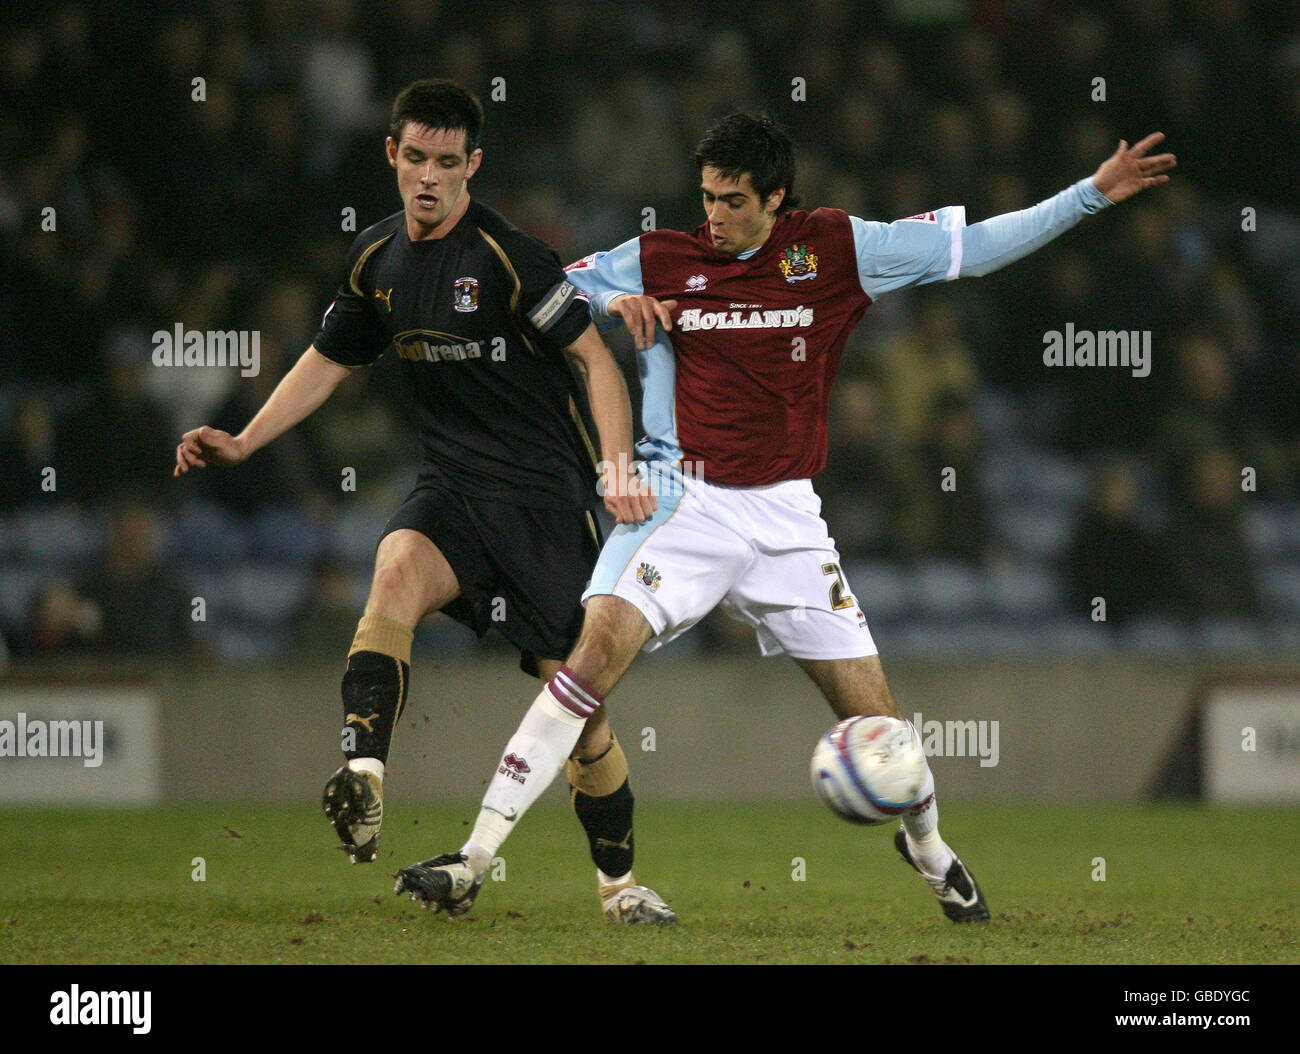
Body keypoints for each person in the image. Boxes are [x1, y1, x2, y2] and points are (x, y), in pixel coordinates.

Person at [394, 113, 1175, 923]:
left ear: (776, 198)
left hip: (789, 520)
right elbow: (541, 293)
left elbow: (973, 249)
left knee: (883, 728)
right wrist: (608, 304)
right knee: (588, 658)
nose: (715, 218)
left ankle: (931, 849)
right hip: (683, 503)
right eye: (706, 199)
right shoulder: (662, 256)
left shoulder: (836, 249)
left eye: (733, 202)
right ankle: (474, 858)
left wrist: (1092, 194)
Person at [173, 79, 676, 925]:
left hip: (544, 503)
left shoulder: (510, 256)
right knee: (396, 569)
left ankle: (619, 886)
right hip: (452, 490)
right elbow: (330, 359)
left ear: (473, 165)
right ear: (392, 157)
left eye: (449, 162)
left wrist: (618, 467)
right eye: (416, 158)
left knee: (581, 719)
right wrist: (247, 439)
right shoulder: (376, 261)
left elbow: (595, 359)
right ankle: (365, 774)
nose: (430, 177)